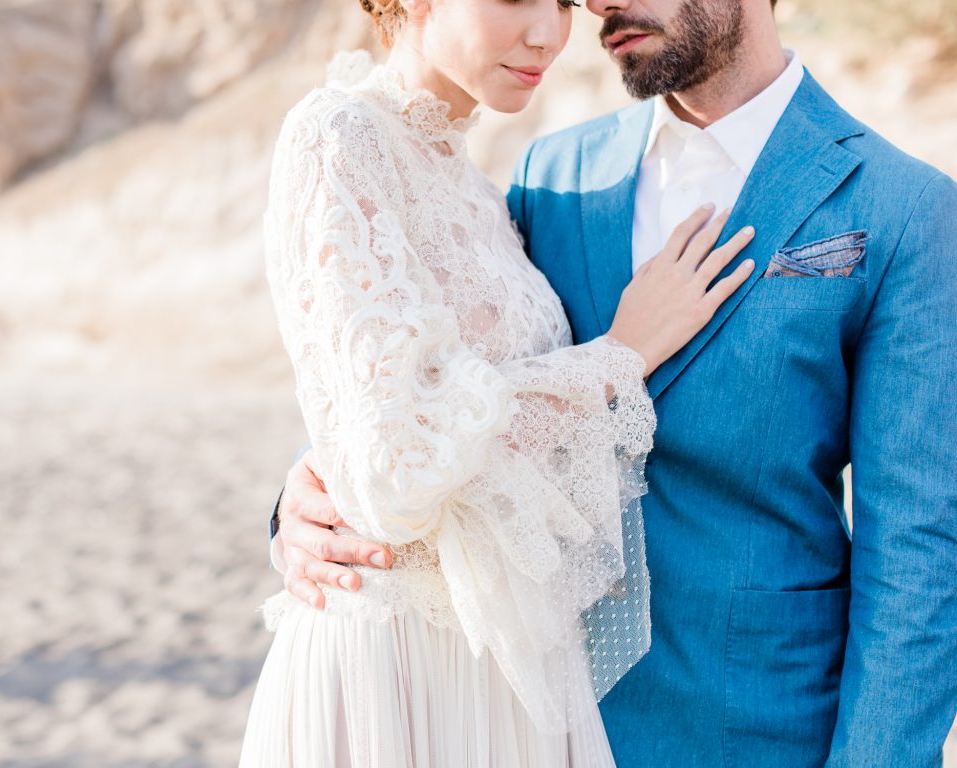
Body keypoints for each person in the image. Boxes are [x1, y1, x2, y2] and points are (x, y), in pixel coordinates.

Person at [270, 0, 957, 765]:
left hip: (754, 727)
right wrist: (311, 492)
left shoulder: (903, 209)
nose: (596, 4)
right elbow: (429, 373)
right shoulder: (554, 173)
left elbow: (921, 557)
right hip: (526, 717)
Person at [240, 0, 759, 765]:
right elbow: (398, 456)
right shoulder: (336, 135)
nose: (549, 35)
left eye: (561, 2)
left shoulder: (485, 192)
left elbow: (421, 406)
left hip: (507, 661)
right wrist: (622, 353)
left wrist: (319, 475)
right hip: (398, 659)